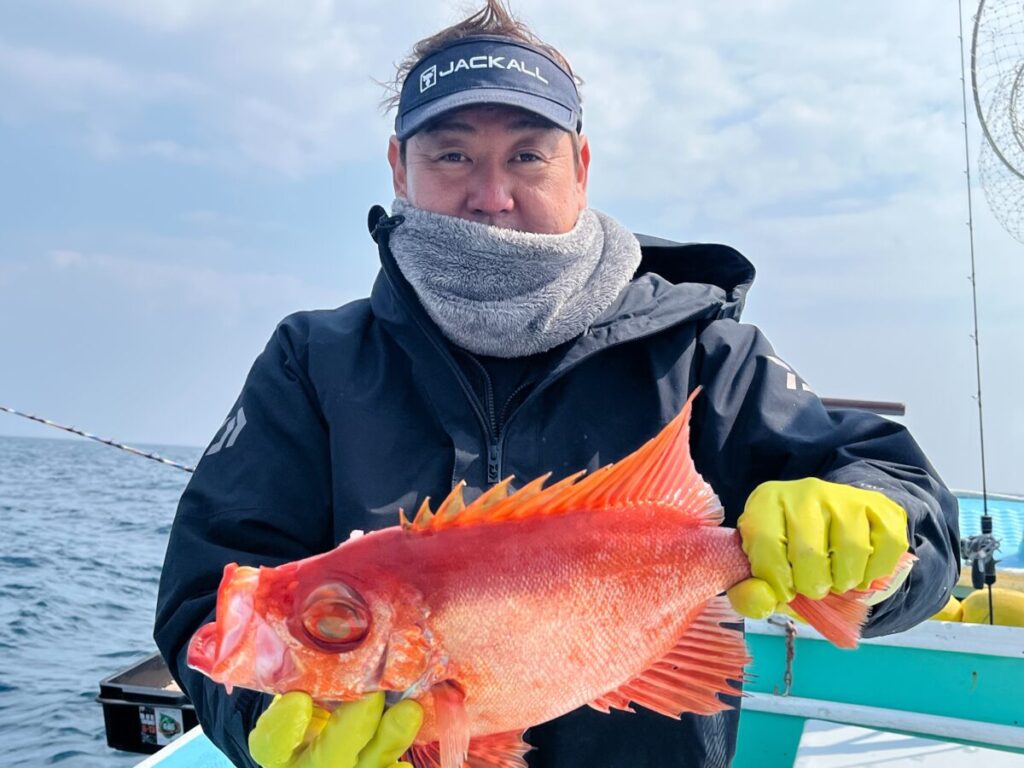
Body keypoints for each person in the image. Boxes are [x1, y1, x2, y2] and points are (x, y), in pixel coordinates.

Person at [154, 3, 961, 767]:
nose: (492, 194)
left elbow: (905, 500)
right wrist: (272, 727)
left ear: (580, 166)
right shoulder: (313, 360)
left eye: (528, 155)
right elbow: (207, 597)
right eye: (452, 154)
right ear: (400, 169)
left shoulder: (701, 351)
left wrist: (877, 534)